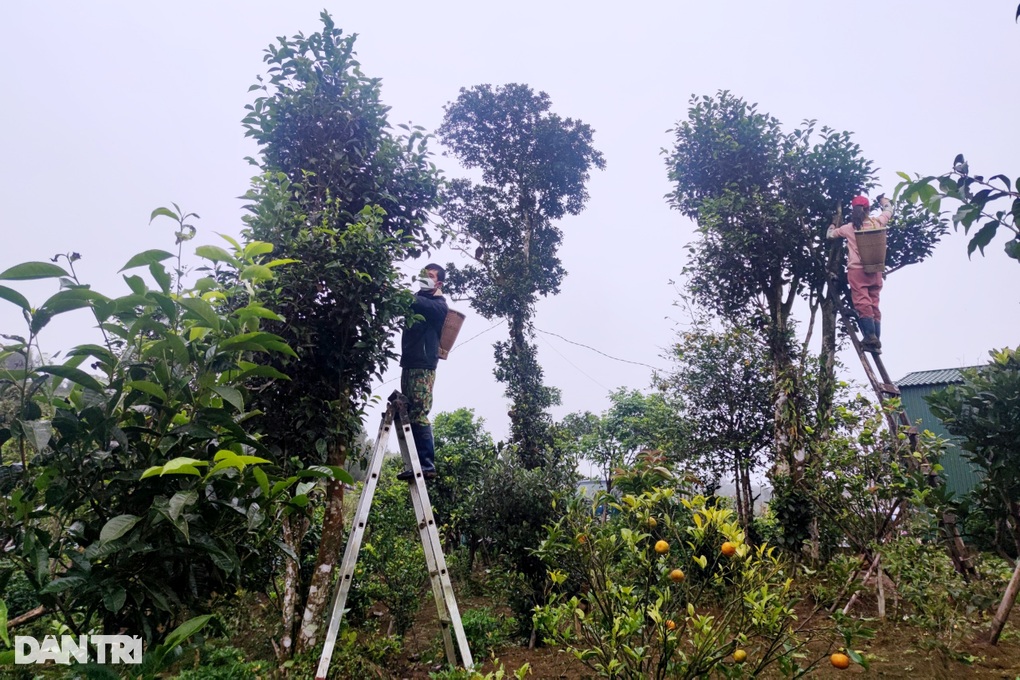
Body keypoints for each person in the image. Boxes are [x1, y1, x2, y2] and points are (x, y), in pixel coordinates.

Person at [396, 264, 448, 481]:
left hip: (423, 366)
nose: (424, 278)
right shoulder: (417, 302)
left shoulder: (438, 305)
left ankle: (427, 464)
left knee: (419, 412)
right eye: (423, 275)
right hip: (409, 363)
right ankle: (415, 464)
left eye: (430, 276)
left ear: (438, 283)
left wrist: (402, 294)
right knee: (408, 410)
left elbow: (420, 303)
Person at [827, 194, 893, 353]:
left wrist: (831, 225)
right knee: (874, 302)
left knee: (862, 302)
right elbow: (889, 210)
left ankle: (870, 337)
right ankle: (876, 339)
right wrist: (883, 201)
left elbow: (830, 235)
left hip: (857, 271)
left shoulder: (849, 228)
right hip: (875, 269)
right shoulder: (878, 222)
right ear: (868, 209)